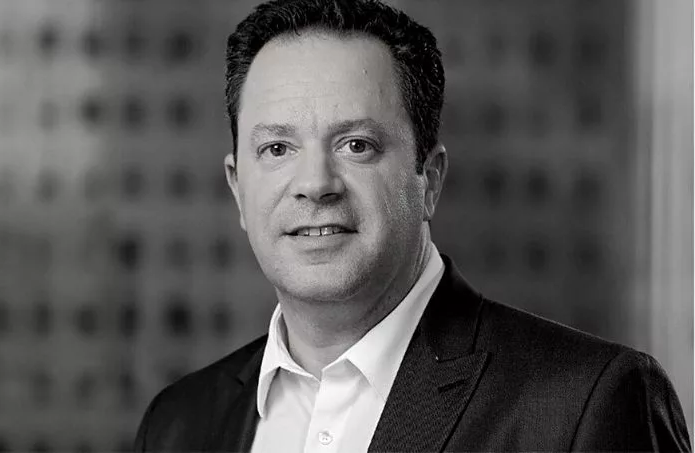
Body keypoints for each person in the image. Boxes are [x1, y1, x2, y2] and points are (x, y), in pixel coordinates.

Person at [134, 0, 691, 451]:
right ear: (238, 187)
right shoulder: (179, 423)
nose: (315, 184)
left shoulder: (587, 403)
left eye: (356, 145)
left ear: (429, 178)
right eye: (277, 148)